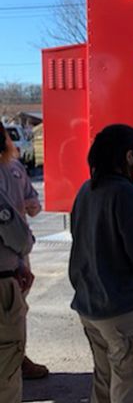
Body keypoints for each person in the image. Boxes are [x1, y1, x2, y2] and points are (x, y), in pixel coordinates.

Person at [69, 124, 133, 403]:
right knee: (132, 389)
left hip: (92, 308)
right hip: (126, 311)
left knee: (105, 385)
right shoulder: (126, 195)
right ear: (128, 157)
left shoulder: (87, 191)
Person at [0, 124, 42, 402]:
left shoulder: (14, 168)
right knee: (9, 336)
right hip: (8, 263)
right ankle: (17, 359)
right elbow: (31, 210)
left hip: (11, 261)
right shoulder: (12, 168)